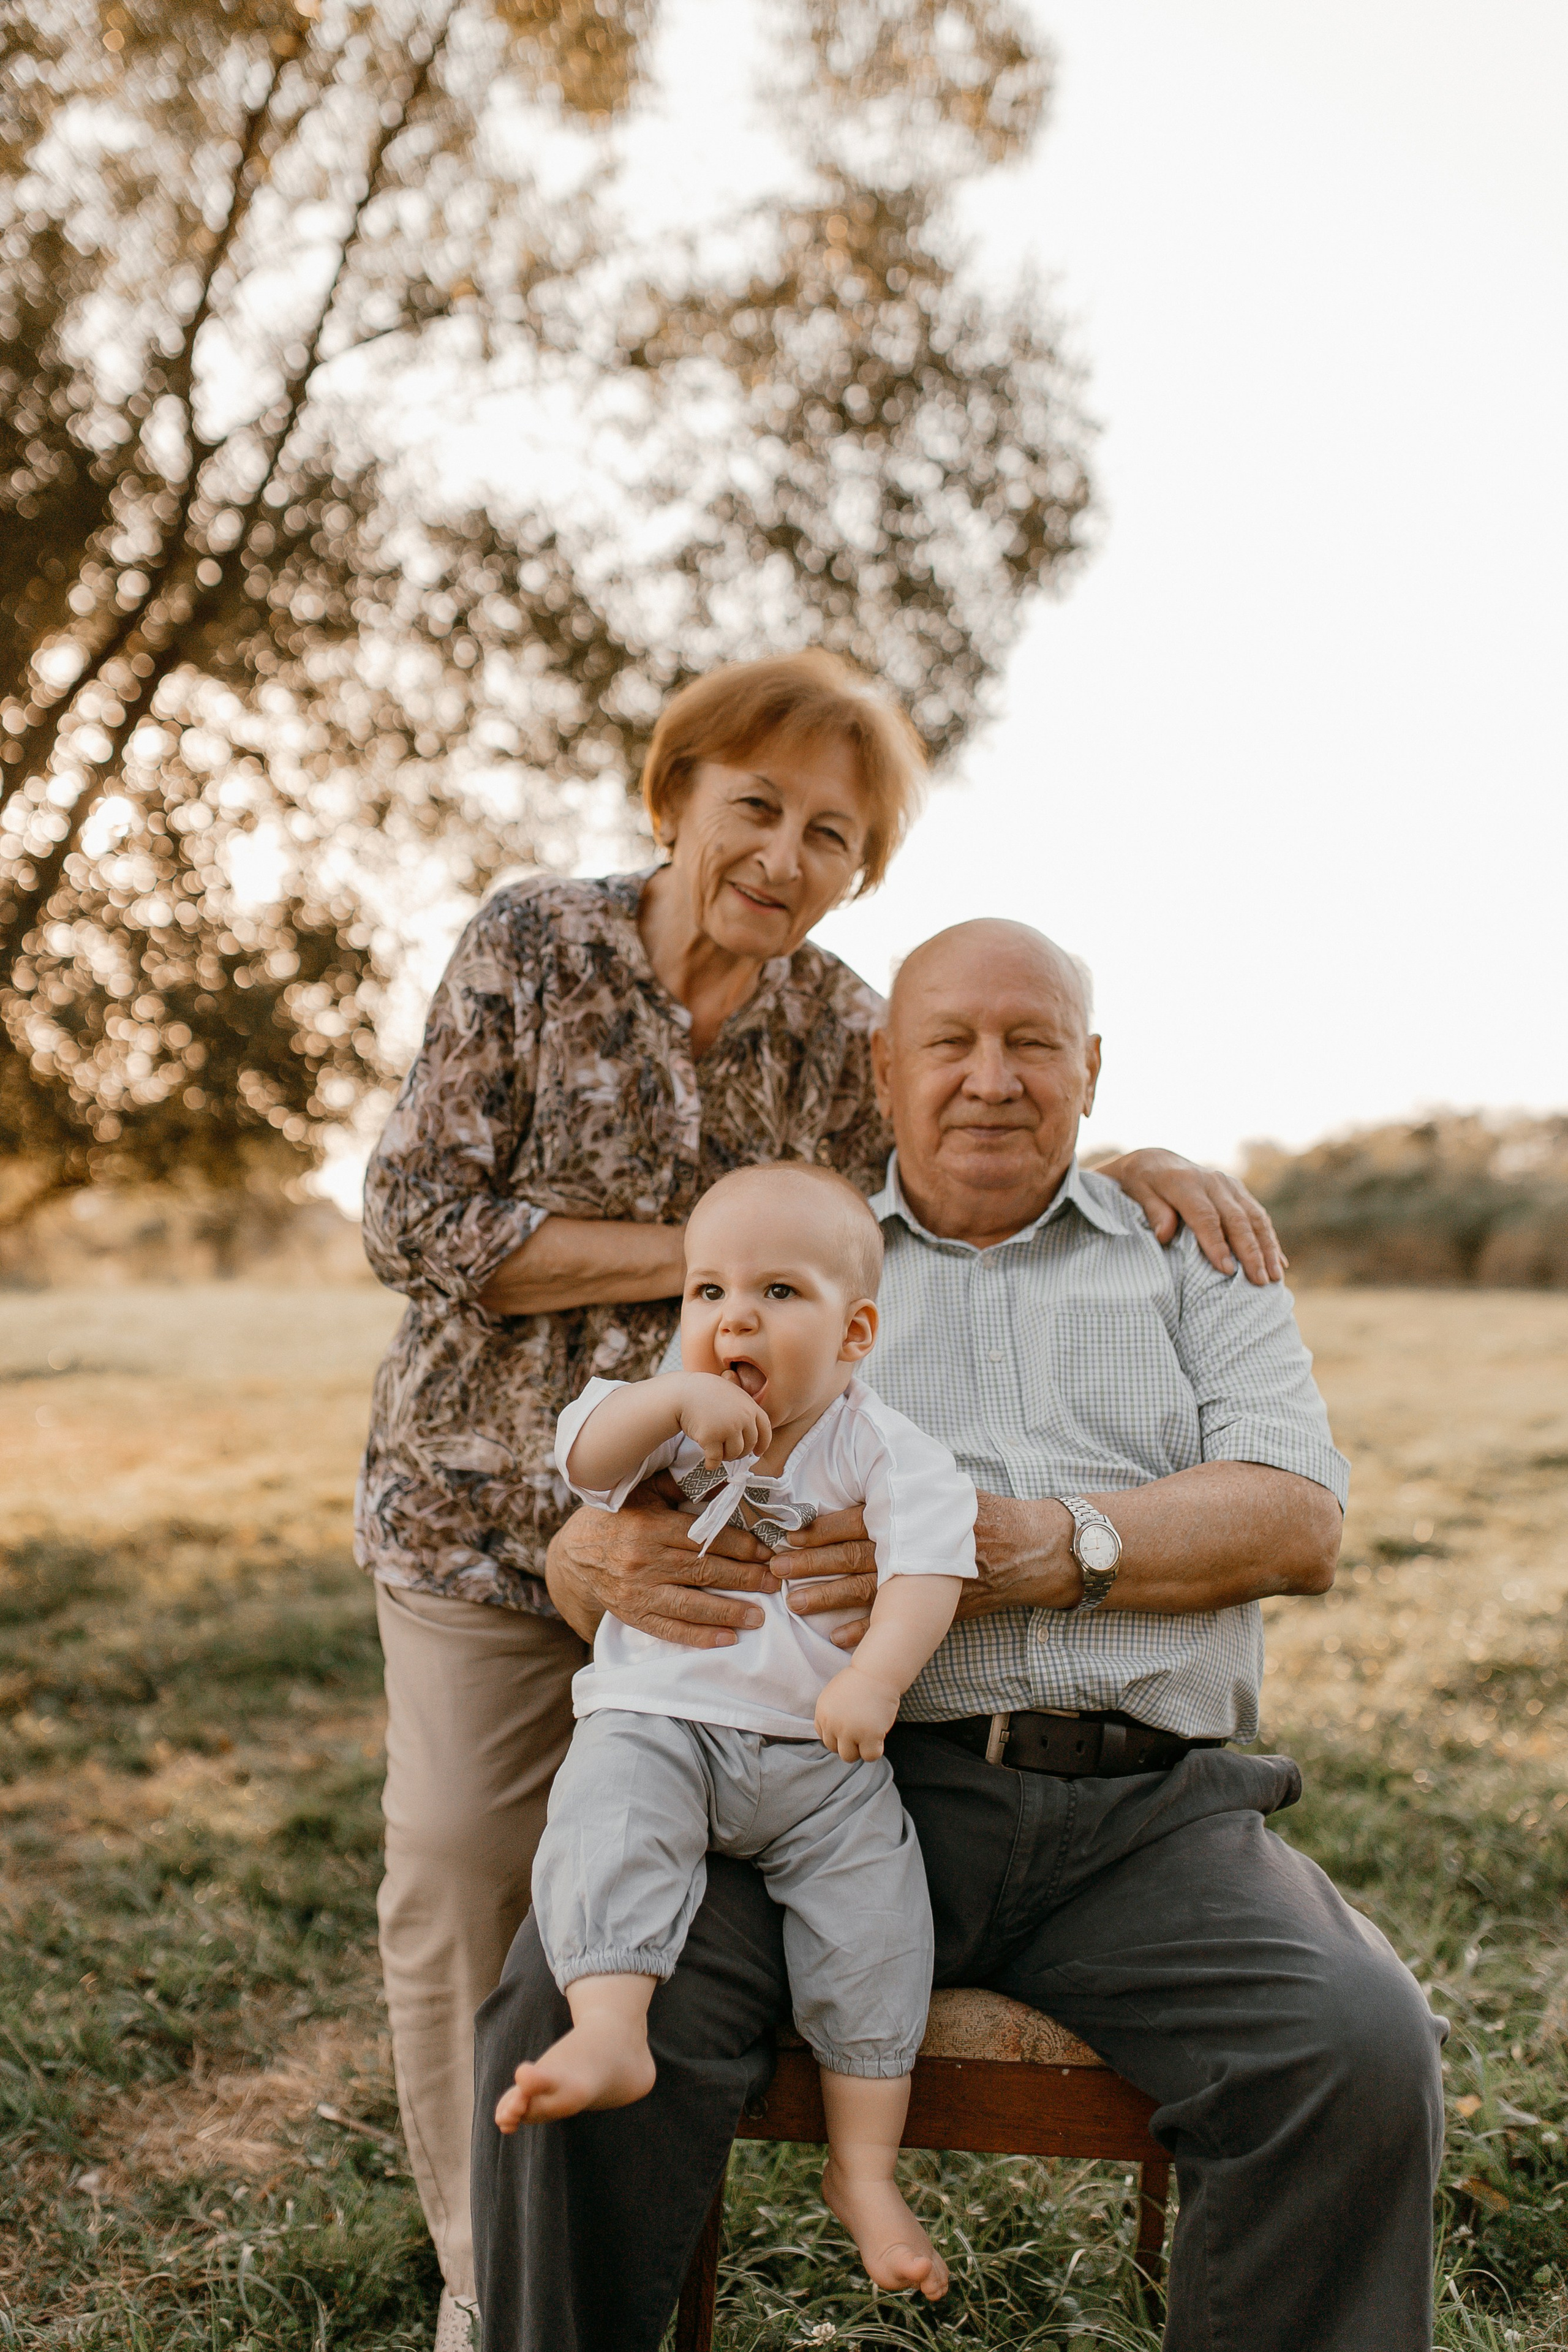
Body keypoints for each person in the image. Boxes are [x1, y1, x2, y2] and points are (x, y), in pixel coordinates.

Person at [357, 649, 1290, 2348]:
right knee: (472, 1873)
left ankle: (643, 2204)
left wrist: (1139, 1168)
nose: (787, 856)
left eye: (834, 835)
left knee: (666, 1869)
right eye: (758, 809)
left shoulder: (841, 1023)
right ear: (679, 797)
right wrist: (723, 1264)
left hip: (736, 1535)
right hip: (497, 1506)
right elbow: (419, 1225)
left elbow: (987, 1112)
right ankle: (486, 2276)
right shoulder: (536, 945)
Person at [470, 918, 1447, 2352]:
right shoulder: (792, 1265)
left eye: (1031, 1041)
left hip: (1145, 1819)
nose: (988, 1079)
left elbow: (1295, 1520)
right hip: (826, 1790)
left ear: (1091, 1071)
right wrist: (590, 1557)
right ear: (883, 1067)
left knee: (1351, 2051)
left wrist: (1040, 1548)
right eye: (948, 1042)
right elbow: (615, 1493)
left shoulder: (1195, 1254)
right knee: (570, 1995)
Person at [497, 1162, 976, 2301]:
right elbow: (583, 1456)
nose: (733, 1319)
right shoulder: (663, 1412)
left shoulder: (878, 1443)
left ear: (855, 1331)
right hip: (661, 1724)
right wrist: (669, 1402)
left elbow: (928, 1563)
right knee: (607, 1830)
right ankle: (610, 2025)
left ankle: (863, 2169)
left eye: (777, 1292)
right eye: (706, 1292)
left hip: (821, 1760)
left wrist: (878, 1676)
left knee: (879, 1932)